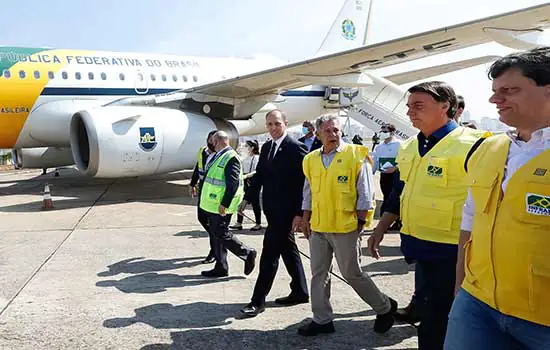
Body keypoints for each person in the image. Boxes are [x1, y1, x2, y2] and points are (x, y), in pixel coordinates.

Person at [367, 81, 490, 349]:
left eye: (418, 106)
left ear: (446, 106)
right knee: (429, 310)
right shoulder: (410, 146)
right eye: (409, 106)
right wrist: (379, 229)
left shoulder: (476, 146)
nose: (410, 112)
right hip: (418, 247)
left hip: (454, 250)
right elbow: (398, 193)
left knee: (439, 320)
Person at [445, 47, 550, 349]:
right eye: (494, 91)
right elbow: (471, 221)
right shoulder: (488, 150)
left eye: (510, 90)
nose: (495, 99)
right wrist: (460, 287)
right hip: (477, 305)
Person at [298, 114, 397, 336]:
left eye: (336, 130)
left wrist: (361, 223)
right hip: (319, 226)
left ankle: (385, 307)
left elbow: (366, 194)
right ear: (319, 133)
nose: (333, 135)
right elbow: (308, 192)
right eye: (328, 131)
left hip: (346, 227)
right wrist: (305, 218)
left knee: (352, 273)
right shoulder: (311, 159)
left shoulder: (356, 155)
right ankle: (322, 319)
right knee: (319, 274)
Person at [239, 109, 309, 318]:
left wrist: (299, 213)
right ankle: (300, 291)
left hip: (286, 213)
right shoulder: (267, 147)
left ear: (285, 124)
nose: (273, 128)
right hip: (271, 209)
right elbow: (260, 176)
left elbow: (304, 184)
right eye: (269, 124)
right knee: (288, 250)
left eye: (277, 124)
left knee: (269, 255)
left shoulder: (296, 148)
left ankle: (257, 300)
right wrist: (246, 199)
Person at [199, 131, 257, 278]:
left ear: (218, 141)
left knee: (221, 233)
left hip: (221, 205)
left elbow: (232, 183)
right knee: (216, 234)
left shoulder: (230, 157)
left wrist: (224, 203)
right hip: (212, 204)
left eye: (213, 141)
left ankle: (247, 252)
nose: (211, 144)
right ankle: (221, 266)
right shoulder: (219, 155)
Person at [189, 130, 218, 264]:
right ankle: (217, 238)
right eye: (212, 140)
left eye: (216, 140)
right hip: (203, 191)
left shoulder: (221, 155)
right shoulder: (203, 152)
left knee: (213, 223)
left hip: (214, 194)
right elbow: (197, 168)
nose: (213, 142)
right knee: (202, 219)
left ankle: (214, 251)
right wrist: (192, 183)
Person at [372, 123, 402, 231]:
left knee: (394, 197)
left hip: (395, 175)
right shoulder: (379, 147)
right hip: (384, 175)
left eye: (385, 131)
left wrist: (395, 168)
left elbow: (404, 160)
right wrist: (370, 174)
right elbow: (375, 161)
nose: (383, 134)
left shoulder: (399, 144)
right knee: (386, 197)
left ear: (392, 132)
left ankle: (395, 222)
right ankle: (384, 223)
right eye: (382, 131)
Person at [230, 140, 262, 231]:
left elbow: (257, 170)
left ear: (252, 148)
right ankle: (239, 222)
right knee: (240, 201)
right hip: (244, 181)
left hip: (253, 182)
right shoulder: (245, 157)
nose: (245, 147)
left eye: (247, 146)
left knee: (255, 203)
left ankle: (258, 223)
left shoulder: (256, 158)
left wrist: (247, 175)